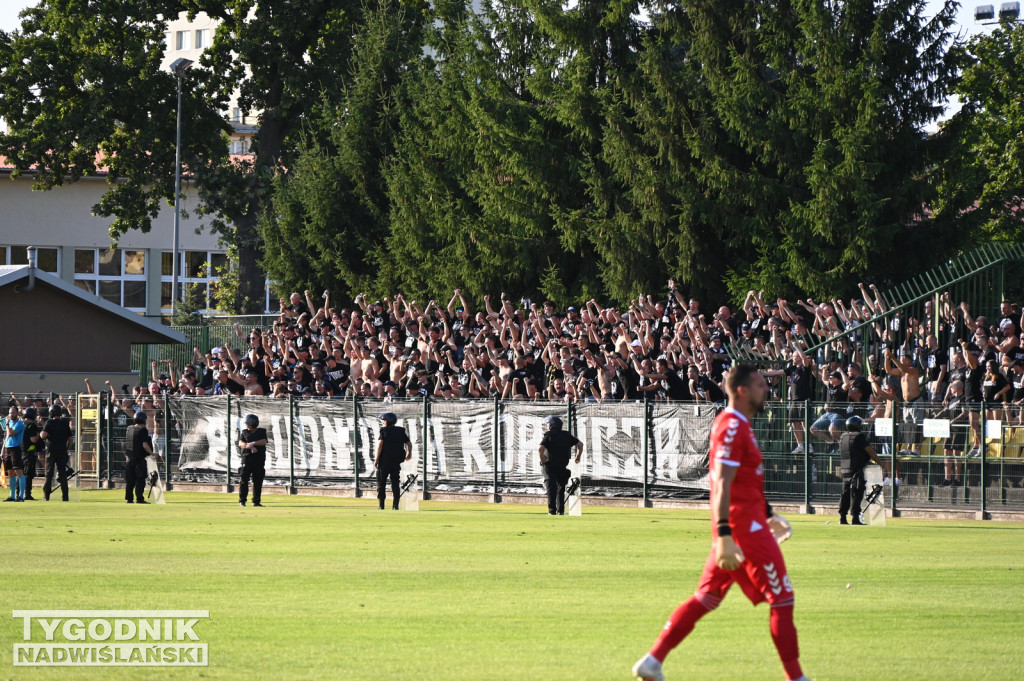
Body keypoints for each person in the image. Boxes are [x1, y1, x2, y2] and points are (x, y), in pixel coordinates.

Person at [632, 365, 810, 681]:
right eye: (759, 384)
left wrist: (768, 514)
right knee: (782, 599)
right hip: (743, 529)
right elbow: (722, 484)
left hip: (744, 524)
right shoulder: (731, 426)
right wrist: (726, 533)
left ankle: (653, 660)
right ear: (741, 390)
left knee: (707, 597)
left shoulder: (738, 424)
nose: (765, 389)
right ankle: (795, 678)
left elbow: (744, 480)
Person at [838, 416, 888, 525]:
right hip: (856, 470)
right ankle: (855, 518)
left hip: (845, 470)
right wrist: (881, 463)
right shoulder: (859, 437)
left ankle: (842, 518)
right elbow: (870, 452)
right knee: (856, 493)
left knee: (845, 493)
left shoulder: (843, 437)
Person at [537, 415, 583, 515]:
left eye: (548, 424)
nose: (547, 426)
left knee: (551, 488)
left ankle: (551, 511)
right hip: (562, 466)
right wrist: (578, 457)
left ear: (552, 425)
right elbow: (580, 445)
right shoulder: (566, 435)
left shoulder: (549, 435)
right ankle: (561, 510)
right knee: (561, 489)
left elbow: (540, 449)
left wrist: (543, 461)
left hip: (550, 466)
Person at [375, 412, 411, 510]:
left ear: (387, 422)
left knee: (381, 483)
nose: (383, 422)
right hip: (396, 461)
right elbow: (409, 443)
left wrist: (377, 459)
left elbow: (380, 445)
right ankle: (396, 505)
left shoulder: (384, 430)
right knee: (395, 482)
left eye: (384, 420)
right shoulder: (400, 431)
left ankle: (381, 505)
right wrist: (409, 454)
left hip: (384, 461)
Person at [39, 404, 73, 502]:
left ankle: (46, 496)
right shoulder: (64, 423)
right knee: (62, 474)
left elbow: (43, 435)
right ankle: (65, 497)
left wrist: (42, 434)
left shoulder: (49, 422)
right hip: (62, 451)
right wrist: (67, 448)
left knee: (49, 474)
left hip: (51, 451)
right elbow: (70, 439)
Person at [238, 414, 268, 507]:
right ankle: (242, 500)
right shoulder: (244, 432)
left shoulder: (262, 432)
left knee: (258, 481)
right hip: (247, 459)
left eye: (248, 424)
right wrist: (248, 446)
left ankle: (256, 501)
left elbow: (264, 441)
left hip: (259, 459)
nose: (247, 426)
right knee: (244, 481)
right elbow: (240, 443)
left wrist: (253, 443)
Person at [124, 410, 153, 504]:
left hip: (129, 458)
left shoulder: (129, 428)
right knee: (140, 479)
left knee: (130, 480)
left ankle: (129, 498)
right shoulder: (142, 430)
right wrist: (152, 454)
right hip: (139, 458)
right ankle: (139, 498)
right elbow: (145, 445)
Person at [2, 406, 27, 502]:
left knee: (19, 471)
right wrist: (2, 450)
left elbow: (11, 433)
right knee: (10, 473)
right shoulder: (10, 422)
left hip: (15, 449)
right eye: (10, 412)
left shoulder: (20, 423)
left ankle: (21, 496)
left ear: (17, 413)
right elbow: (6, 436)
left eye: (13, 412)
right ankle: (12, 496)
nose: (11, 414)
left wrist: (7, 424)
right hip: (8, 448)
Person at [20, 407, 43, 500]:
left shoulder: (20, 424)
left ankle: (19, 493)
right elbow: (33, 439)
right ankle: (27, 494)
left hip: (20, 452)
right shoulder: (31, 426)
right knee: (28, 474)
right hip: (29, 453)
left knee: (20, 473)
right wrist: (38, 435)